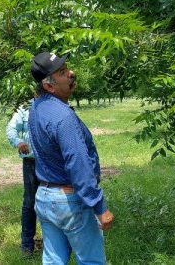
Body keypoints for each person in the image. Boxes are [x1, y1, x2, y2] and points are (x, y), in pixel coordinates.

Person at [28, 52, 115, 264]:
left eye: (67, 68)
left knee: (54, 260)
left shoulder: (36, 107)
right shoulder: (63, 117)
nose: (71, 73)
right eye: (62, 72)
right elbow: (79, 165)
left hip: (45, 197)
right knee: (91, 261)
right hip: (69, 200)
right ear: (49, 85)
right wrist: (99, 206)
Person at [6, 97, 40, 256]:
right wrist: (18, 142)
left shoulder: (55, 103)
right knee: (30, 202)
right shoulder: (26, 106)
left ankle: (54, 240)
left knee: (53, 200)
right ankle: (27, 244)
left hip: (52, 163)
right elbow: (11, 128)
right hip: (31, 163)